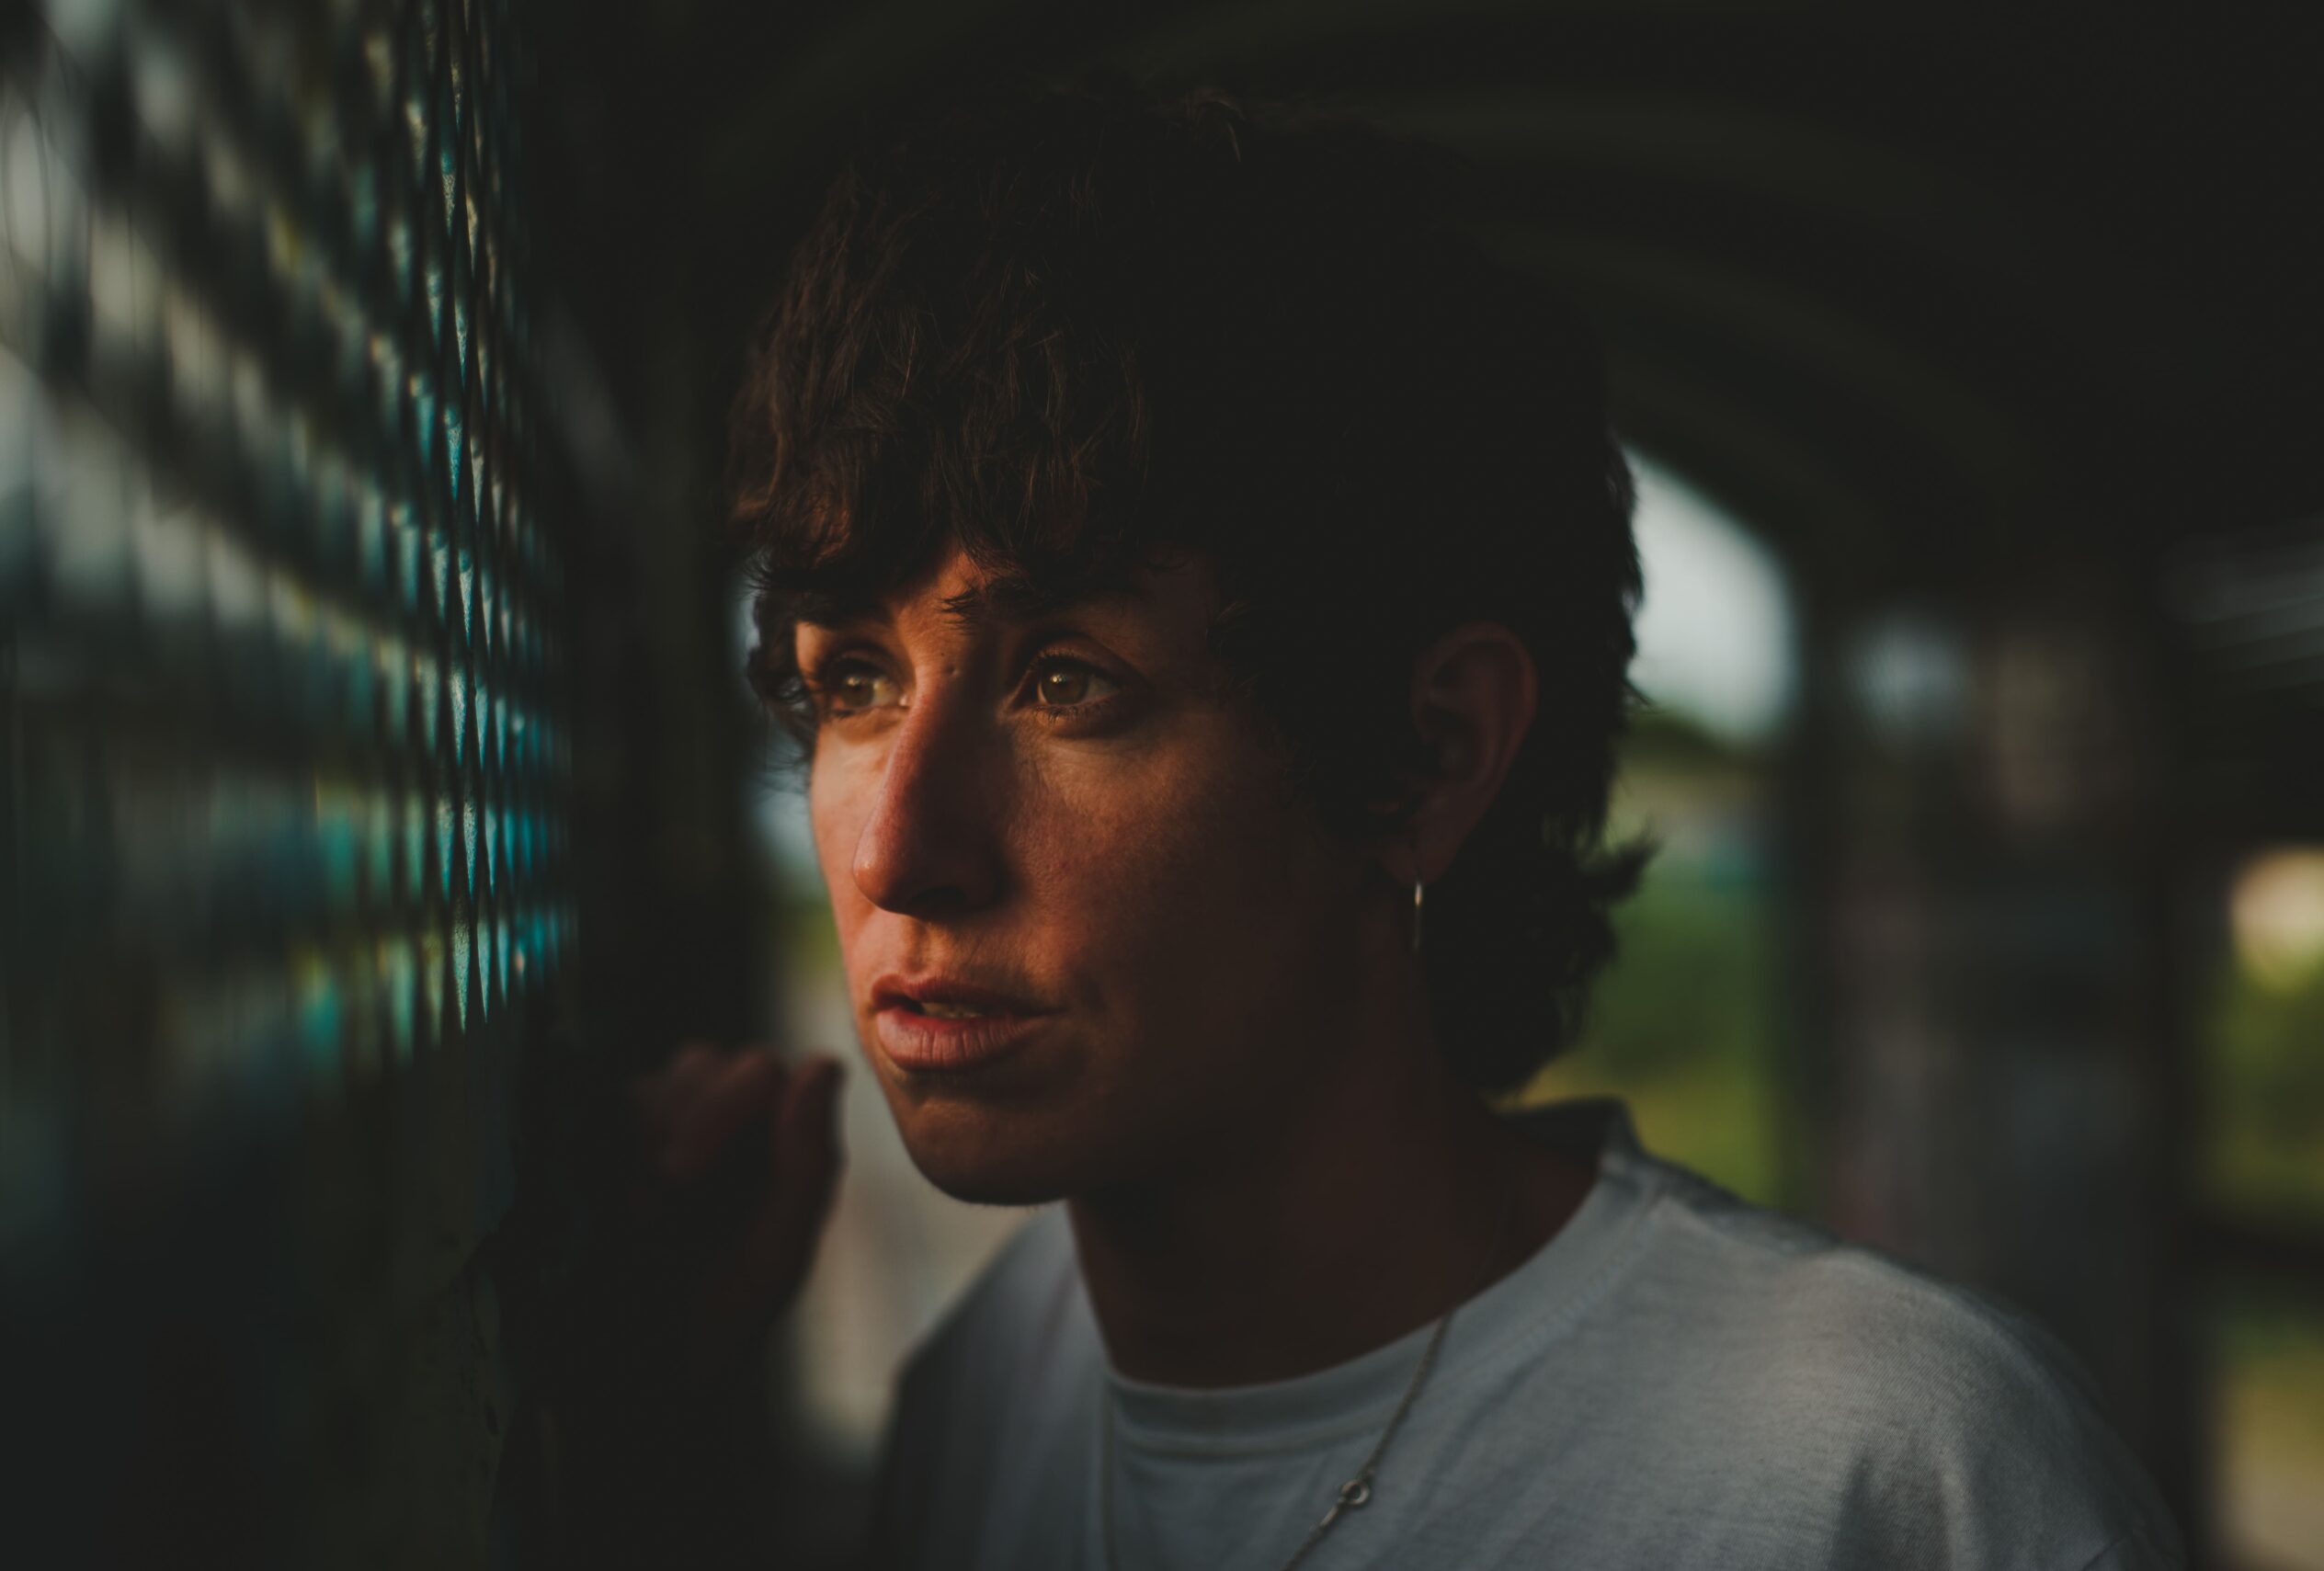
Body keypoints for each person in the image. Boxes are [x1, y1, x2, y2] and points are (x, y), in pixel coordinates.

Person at [609, 74, 2185, 1570]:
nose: (894, 851)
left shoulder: (1890, 1478)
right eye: (855, 680)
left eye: (1070, 682)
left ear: (1431, 755)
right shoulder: (981, 1394)